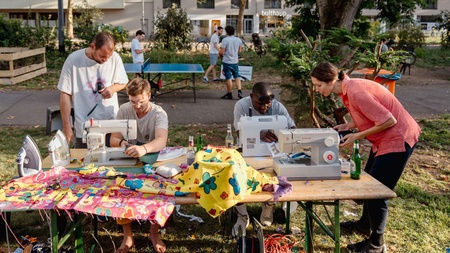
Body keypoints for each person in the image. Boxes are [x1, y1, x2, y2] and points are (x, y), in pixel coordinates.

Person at [310, 62, 421, 253]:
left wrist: (356, 136)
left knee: (376, 192)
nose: (318, 90)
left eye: (319, 85)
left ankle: (377, 244)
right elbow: (369, 112)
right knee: (367, 183)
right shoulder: (346, 89)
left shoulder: (355, 91)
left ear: (332, 80)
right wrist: (349, 126)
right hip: (386, 139)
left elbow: (388, 120)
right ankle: (364, 225)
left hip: (398, 139)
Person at [110, 78, 169, 253]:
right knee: (119, 188)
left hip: (152, 157)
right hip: (130, 158)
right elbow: (114, 138)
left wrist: (143, 149)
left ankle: (154, 232)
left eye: (140, 102)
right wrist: (124, 144)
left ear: (149, 96)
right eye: (132, 102)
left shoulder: (159, 114)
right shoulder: (124, 110)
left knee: (162, 189)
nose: (136, 107)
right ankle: (128, 235)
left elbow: (162, 140)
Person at [232, 82, 296, 234]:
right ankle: (242, 214)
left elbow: (292, 128)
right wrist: (257, 133)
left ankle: (269, 205)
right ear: (251, 97)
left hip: (272, 151)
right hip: (248, 149)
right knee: (235, 174)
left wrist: (282, 136)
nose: (263, 108)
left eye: (267, 105)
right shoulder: (241, 106)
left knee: (279, 174)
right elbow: (239, 132)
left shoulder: (278, 107)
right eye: (259, 104)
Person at [58, 31, 129, 148]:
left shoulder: (115, 58)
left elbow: (123, 82)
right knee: (84, 162)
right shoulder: (73, 60)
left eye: (108, 57)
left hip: (110, 122)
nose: (106, 60)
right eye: (102, 56)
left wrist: (112, 89)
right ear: (93, 46)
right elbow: (65, 93)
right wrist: (66, 126)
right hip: (85, 126)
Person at [219, 25, 244, 100]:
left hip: (227, 62)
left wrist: (219, 53)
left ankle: (229, 93)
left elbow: (222, 52)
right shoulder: (238, 40)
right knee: (237, 76)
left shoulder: (225, 40)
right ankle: (239, 91)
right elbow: (239, 51)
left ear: (226, 32)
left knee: (228, 77)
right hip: (235, 61)